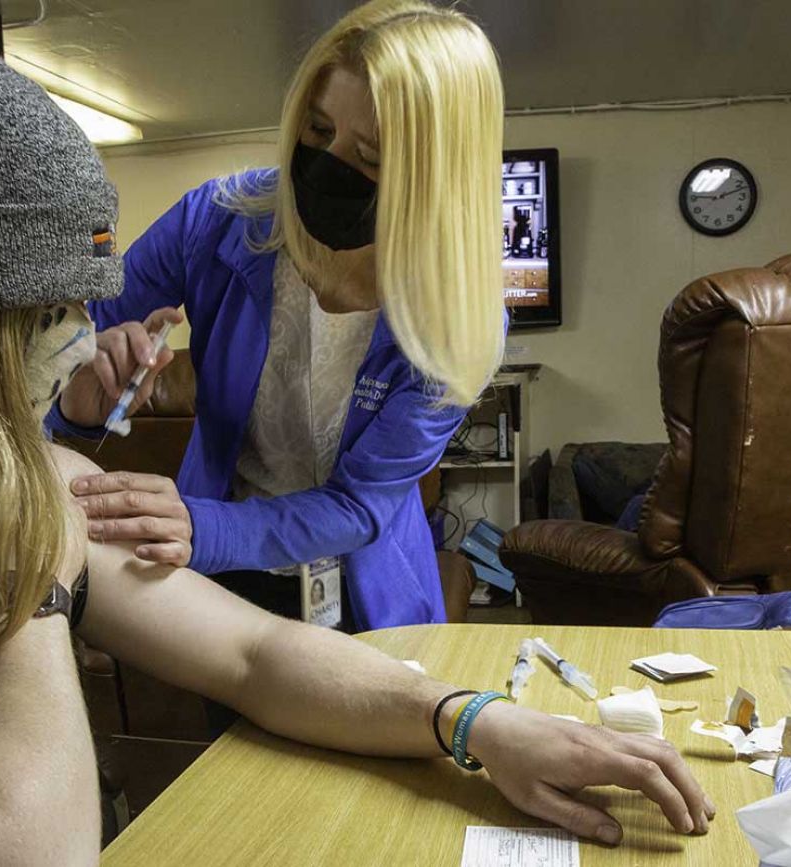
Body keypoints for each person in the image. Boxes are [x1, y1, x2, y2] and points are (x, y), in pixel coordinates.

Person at [0, 16, 714, 865]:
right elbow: (27, 855)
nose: (73, 349)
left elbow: (255, 650)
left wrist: (474, 719)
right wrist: (38, 580)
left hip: (333, 561)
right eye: (56, 320)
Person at [51, 0, 508, 632]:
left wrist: (201, 525)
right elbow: (51, 359)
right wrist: (77, 398)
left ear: (433, 177)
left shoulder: (455, 323)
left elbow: (358, 505)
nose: (327, 165)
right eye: (318, 132)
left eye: (370, 156)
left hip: (364, 594)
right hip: (221, 583)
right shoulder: (211, 222)